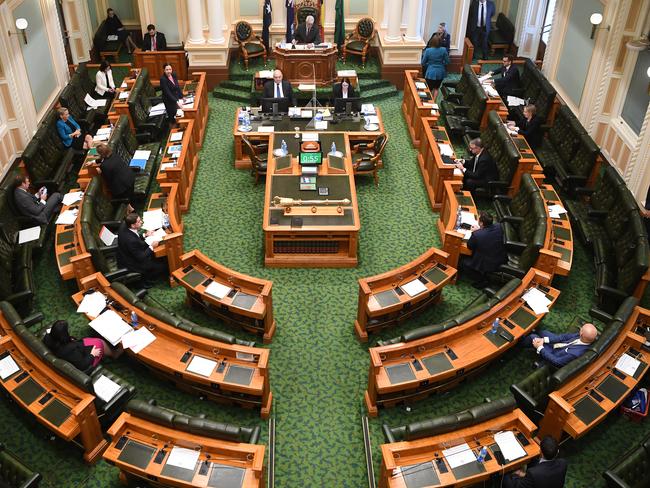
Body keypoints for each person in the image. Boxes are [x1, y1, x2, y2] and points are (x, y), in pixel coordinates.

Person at [43, 320, 121, 372]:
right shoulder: (70, 351)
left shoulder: (47, 338)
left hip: (77, 349)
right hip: (85, 361)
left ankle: (109, 352)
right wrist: (92, 354)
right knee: (99, 343)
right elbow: (82, 365)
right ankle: (114, 354)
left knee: (89, 340)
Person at [117, 212, 167, 286]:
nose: (141, 222)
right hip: (133, 263)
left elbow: (134, 236)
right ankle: (148, 281)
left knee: (157, 256)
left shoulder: (125, 225)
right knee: (163, 266)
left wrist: (145, 235)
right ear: (133, 225)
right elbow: (141, 257)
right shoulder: (131, 241)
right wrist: (152, 247)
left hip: (127, 253)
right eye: (139, 221)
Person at [460, 212, 507, 288]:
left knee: (463, 262)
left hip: (488, 263)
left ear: (481, 223)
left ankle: (482, 280)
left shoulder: (477, 235)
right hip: (501, 257)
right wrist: (481, 230)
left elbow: (469, 246)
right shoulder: (499, 226)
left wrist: (475, 231)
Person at [523, 323, 598, 368]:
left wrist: (540, 347)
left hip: (554, 354)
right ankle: (530, 338)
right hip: (559, 345)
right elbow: (563, 337)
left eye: (582, 328)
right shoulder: (583, 336)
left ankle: (521, 343)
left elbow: (557, 361)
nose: (580, 328)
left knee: (533, 337)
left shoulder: (575, 354)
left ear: (582, 333)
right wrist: (544, 340)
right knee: (543, 332)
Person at [503, 436, 568, 488]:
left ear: (540, 452)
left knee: (506, 478)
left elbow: (518, 486)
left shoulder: (533, 473)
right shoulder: (563, 463)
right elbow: (544, 478)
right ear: (557, 452)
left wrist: (510, 474)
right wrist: (524, 475)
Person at [96, 143, 135, 209]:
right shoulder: (114, 154)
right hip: (130, 179)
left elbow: (108, 179)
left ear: (100, 154)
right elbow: (106, 159)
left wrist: (100, 173)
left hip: (122, 188)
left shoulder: (104, 166)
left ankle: (129, 208)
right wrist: (95, 161)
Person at [421, 34, 450, 101]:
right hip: (441, 72)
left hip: (431, 72)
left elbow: (423, 63)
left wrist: (429, 64)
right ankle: (434, 102)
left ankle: (428, 102)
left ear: (432, 41)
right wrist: (441, 64)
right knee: (436, 88)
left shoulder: (428, 50)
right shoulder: (443, 50)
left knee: (429, 89)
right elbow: (447, 62)